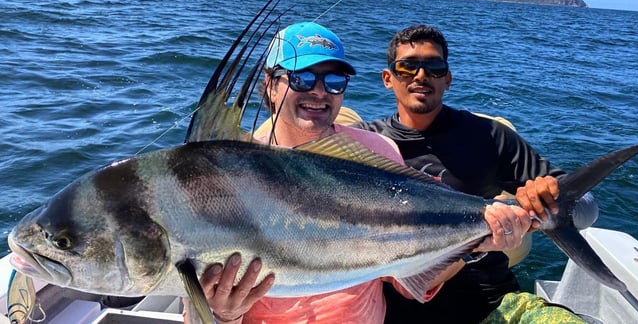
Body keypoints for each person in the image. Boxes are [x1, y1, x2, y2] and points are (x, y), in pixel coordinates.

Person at [189, 22, 532, 324]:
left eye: (334, 80)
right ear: (270, 84)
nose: (319, 91)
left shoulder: (376, 153)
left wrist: (476, 244)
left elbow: (411, 281)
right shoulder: (227, 174)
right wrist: (224, 314)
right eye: (302, 77)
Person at [356, 24, 594, 323]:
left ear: (448, 79)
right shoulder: (360, 145)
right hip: (391, 309)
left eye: (434, 67)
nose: (421, 76)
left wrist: (551, 199)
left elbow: (585, 209)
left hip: (491, 302)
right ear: (388, 78)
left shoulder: (488, 136)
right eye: (408, 67)